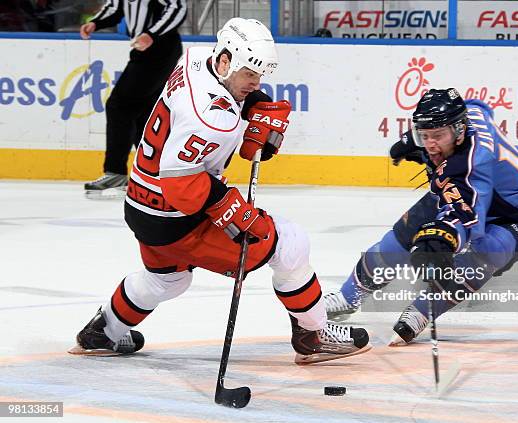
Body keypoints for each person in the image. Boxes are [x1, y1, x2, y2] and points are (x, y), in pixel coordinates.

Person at [69, 18, 371, 364]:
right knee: (289, 244)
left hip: (141, 204)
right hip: (177, 213)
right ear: (226, 61)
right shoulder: (212, 118)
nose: (254, 83)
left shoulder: (197, 58)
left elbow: (220, 104)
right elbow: (180, 182)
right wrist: (230, 207)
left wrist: (255, 102)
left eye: (259, 76)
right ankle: (314, 334)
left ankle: (102, 331)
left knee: (168, 280)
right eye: (249, 75)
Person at [323, 88, 518, 345]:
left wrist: (443, 239)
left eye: (438, 136)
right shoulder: (468, 116)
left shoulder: (472, 165)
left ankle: (423, 311)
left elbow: (469, 218)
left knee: (487, 251)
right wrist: (416, 141)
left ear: (458, 130)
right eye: (424, 135)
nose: (431, 144)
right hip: (471, 191)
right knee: (395, 245)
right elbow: (478, 105)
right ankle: (349, 296)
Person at [80, 0, 186, 199]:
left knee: (119, 106)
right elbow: (115, 6)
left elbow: (177, 7)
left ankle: (116, 173)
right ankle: (153, 174)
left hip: (160, 49)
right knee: (143, 113)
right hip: (144, 50)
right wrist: (95, 22)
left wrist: (151, 34)